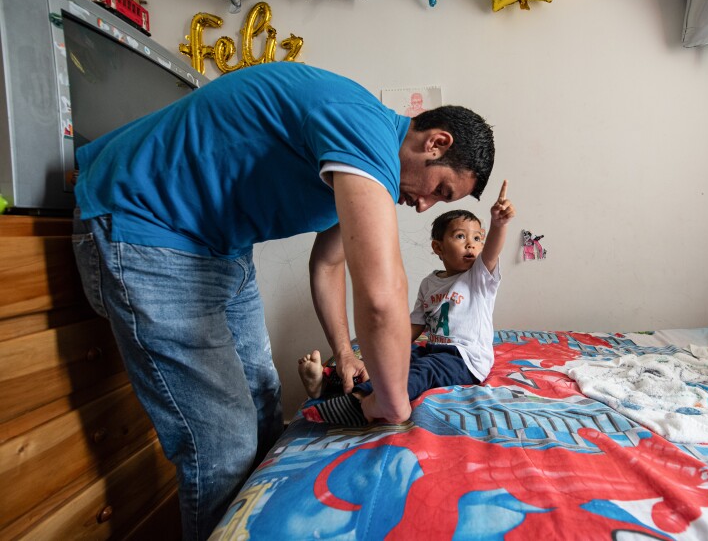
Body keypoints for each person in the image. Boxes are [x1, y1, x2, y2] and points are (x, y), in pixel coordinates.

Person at [70, 62, 495, 541]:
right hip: (146, 226)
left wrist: (347, 351)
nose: (424, 206)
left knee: (263, 401)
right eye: (439, 190)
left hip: (220, 249)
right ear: (435, 143)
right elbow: (381, 293)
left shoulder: (363, 161)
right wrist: (393, 406)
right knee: (223, 443)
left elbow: (329, 264)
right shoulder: (362, 126)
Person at [299, 181, 515, 426]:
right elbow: (414, 327)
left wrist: (499, 224)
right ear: (438, 247)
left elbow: (491, 253)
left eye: (477, 238)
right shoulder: (429, 283)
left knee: (424, 371)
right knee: (396, 362)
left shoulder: (478, 278)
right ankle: (328, 385)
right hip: (434, 349)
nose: (471, 244)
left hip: (465, 359)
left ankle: (362, 404)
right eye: (460, 236)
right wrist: (387, 350)